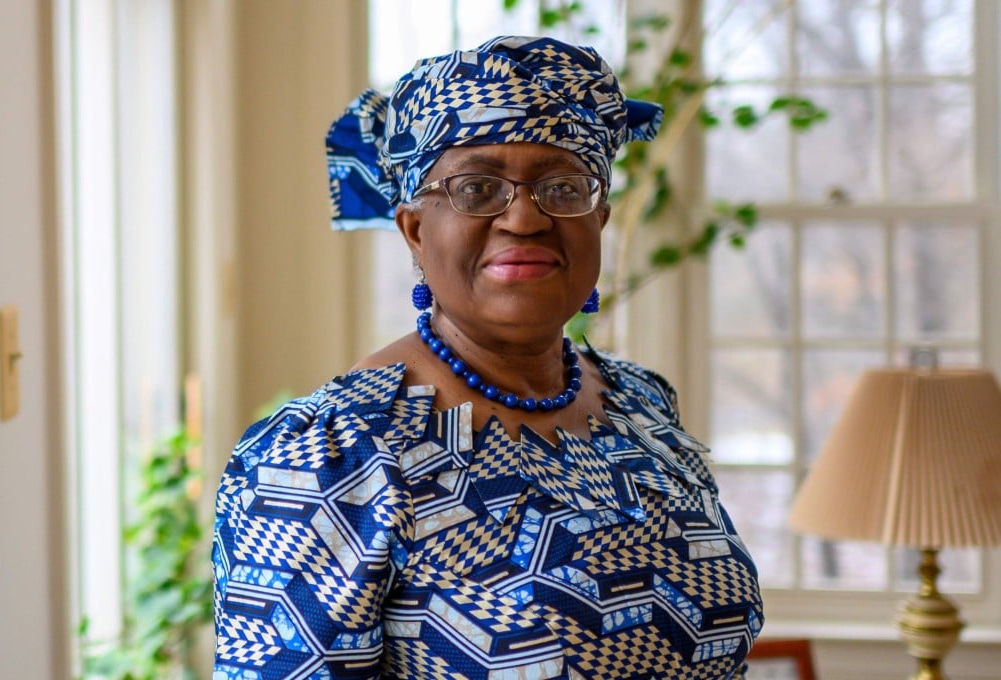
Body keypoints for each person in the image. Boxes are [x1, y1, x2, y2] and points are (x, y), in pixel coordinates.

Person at [212, 35, 763, 679]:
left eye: (563, 186)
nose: (525, 219)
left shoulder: (641, 404)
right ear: (415, 229)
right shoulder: (328, 457)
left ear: (600, 220)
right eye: (476, 188)